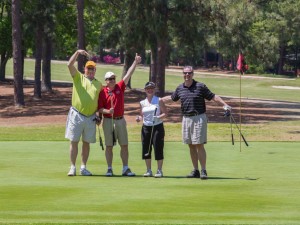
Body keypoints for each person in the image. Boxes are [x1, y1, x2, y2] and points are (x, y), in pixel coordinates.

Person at [162, 66, 231, 179]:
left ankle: (203, 170)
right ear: (183, 74)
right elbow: (171, 98)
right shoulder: (180, 88)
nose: (187, 75)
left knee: (199, 144)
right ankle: (196, 170)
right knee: (191, 145)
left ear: (193, 74)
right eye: (185, 73)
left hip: (199, 117)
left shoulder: (200, 86)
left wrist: (225, 105)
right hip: (186, 119)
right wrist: (157, 100)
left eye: (189, 73)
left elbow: (213, 97)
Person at [98, 53, 141, 176]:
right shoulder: (102, 92)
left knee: (124, 145)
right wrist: (107, 111)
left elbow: (128, 74)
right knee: (109, 146)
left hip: (120, 120)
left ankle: (125, 168)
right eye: (110, 79)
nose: (112, 80)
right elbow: (100, 109)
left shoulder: (119, 87)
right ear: (106, 81)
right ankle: (109, 168)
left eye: (113, 78)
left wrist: (135, 62)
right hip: (108, 121)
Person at [65, 49, 103, 176]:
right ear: (85, 69)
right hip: (76, 114)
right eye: (88, 69)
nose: (90, 71)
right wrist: (76, 53)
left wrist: (99, 115)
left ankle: (83, 167)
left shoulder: (99, 84)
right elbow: (69, 65)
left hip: (91, 117)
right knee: (74, 141)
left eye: (92, 69)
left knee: (86, 143)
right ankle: (72, 167)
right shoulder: (78, 77)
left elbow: (99, 102)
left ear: (95, 71)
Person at [136, 82, 167, 178]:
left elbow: (165, 113)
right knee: (146, 148)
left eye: (152, 88)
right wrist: (139, 118)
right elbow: (141, 115)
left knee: (158, 147)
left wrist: (158, 117)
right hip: (146, 127)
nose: (150, 90)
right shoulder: (142, 103)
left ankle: (159, 170)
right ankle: (148, 170)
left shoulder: (159, 100)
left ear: (154, 89)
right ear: (145, 90)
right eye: (148, 88)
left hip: (157, 126)